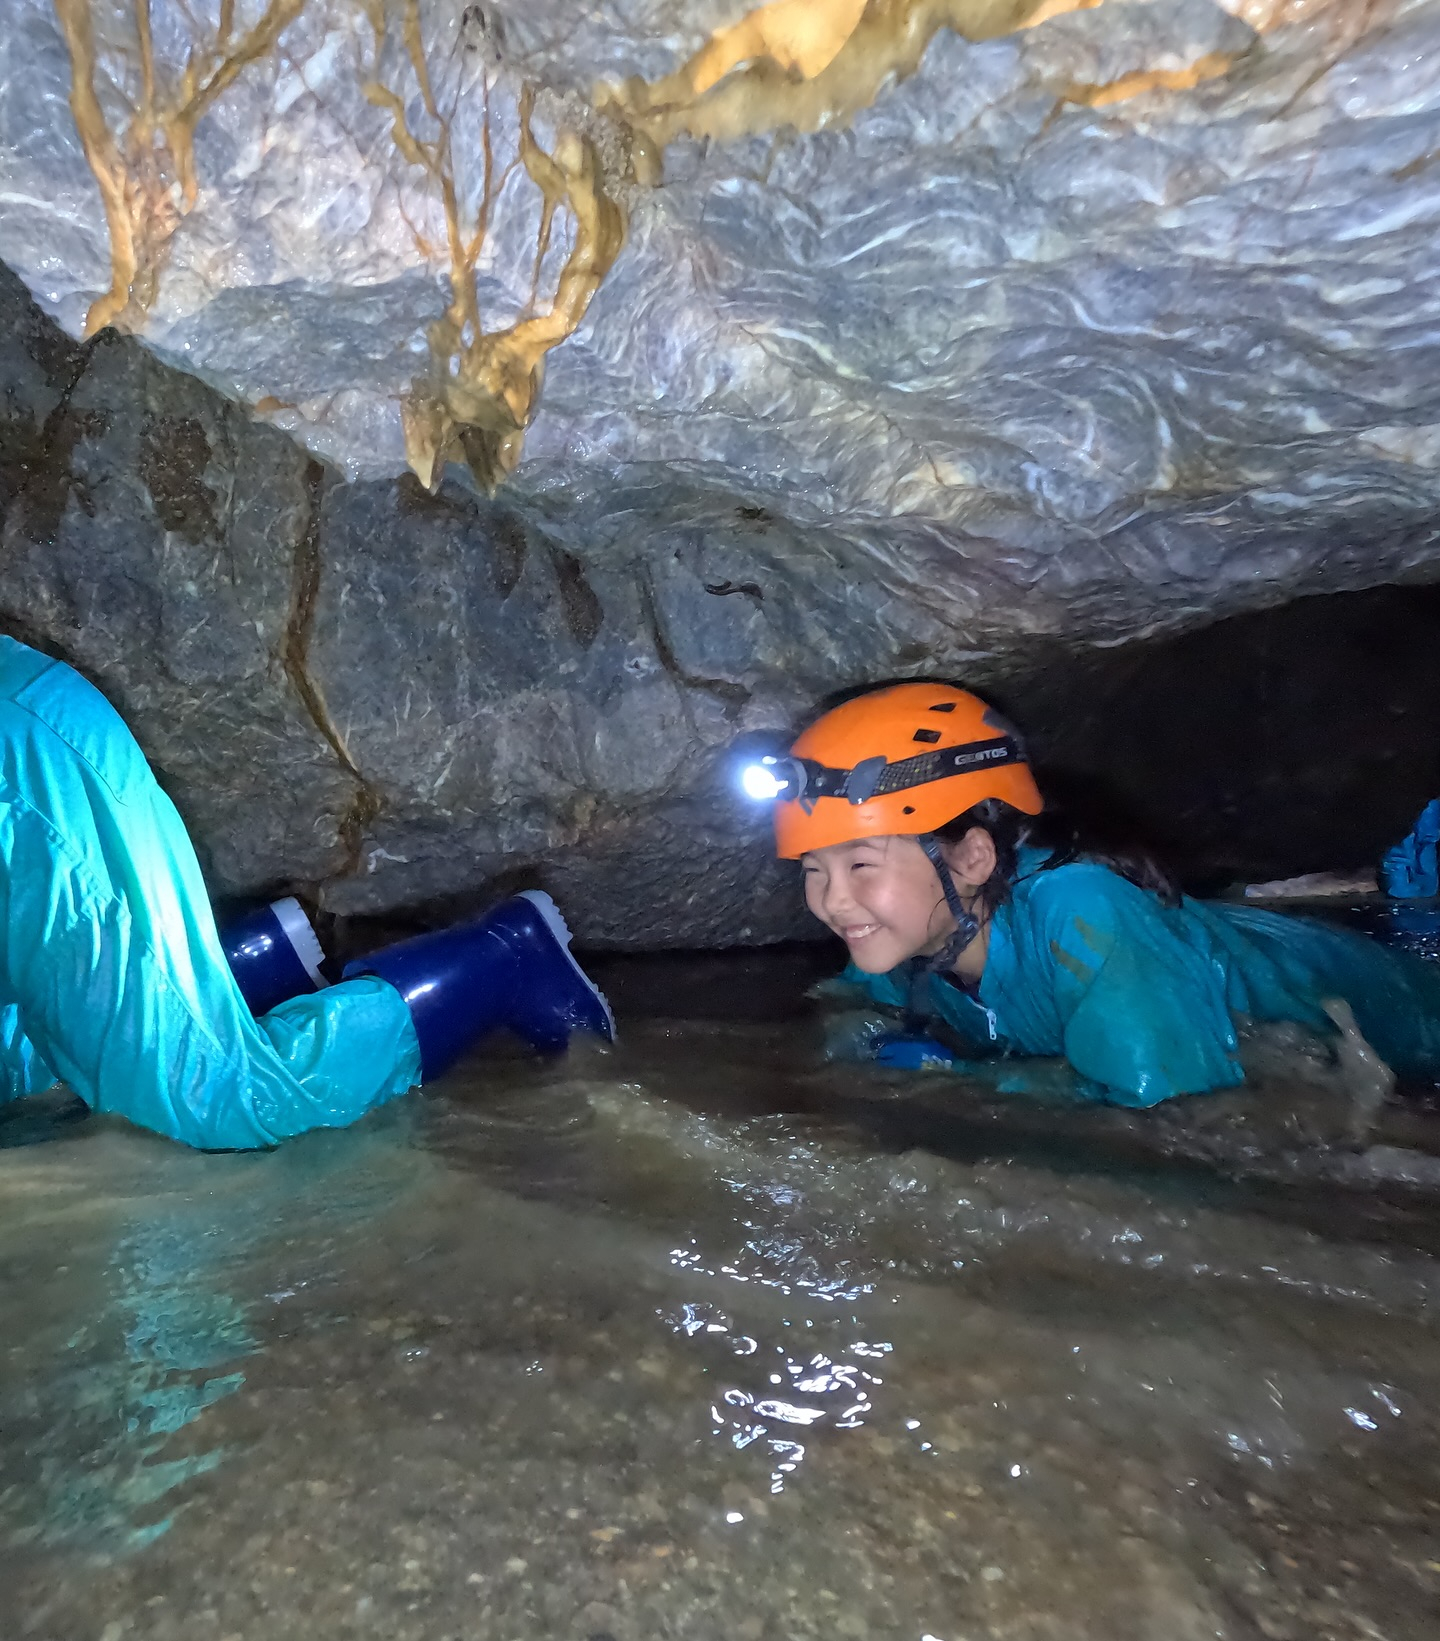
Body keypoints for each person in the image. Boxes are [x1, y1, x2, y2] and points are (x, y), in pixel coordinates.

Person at [0, 635, 613, 1150]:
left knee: (211, 1099)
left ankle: (502, 962)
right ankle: (250, 976)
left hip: (27, 781)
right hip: (28, 739)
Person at [742, 681, 1440, 1107]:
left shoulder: (1087, 913)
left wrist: (962, 1085)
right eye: (812, 868)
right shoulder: (907, 934)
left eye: (860, 865)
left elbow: (1171, 1110)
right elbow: (846, 1005)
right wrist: (858, 1044)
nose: (832, 901)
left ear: (973, 857)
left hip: (1405, 1009)